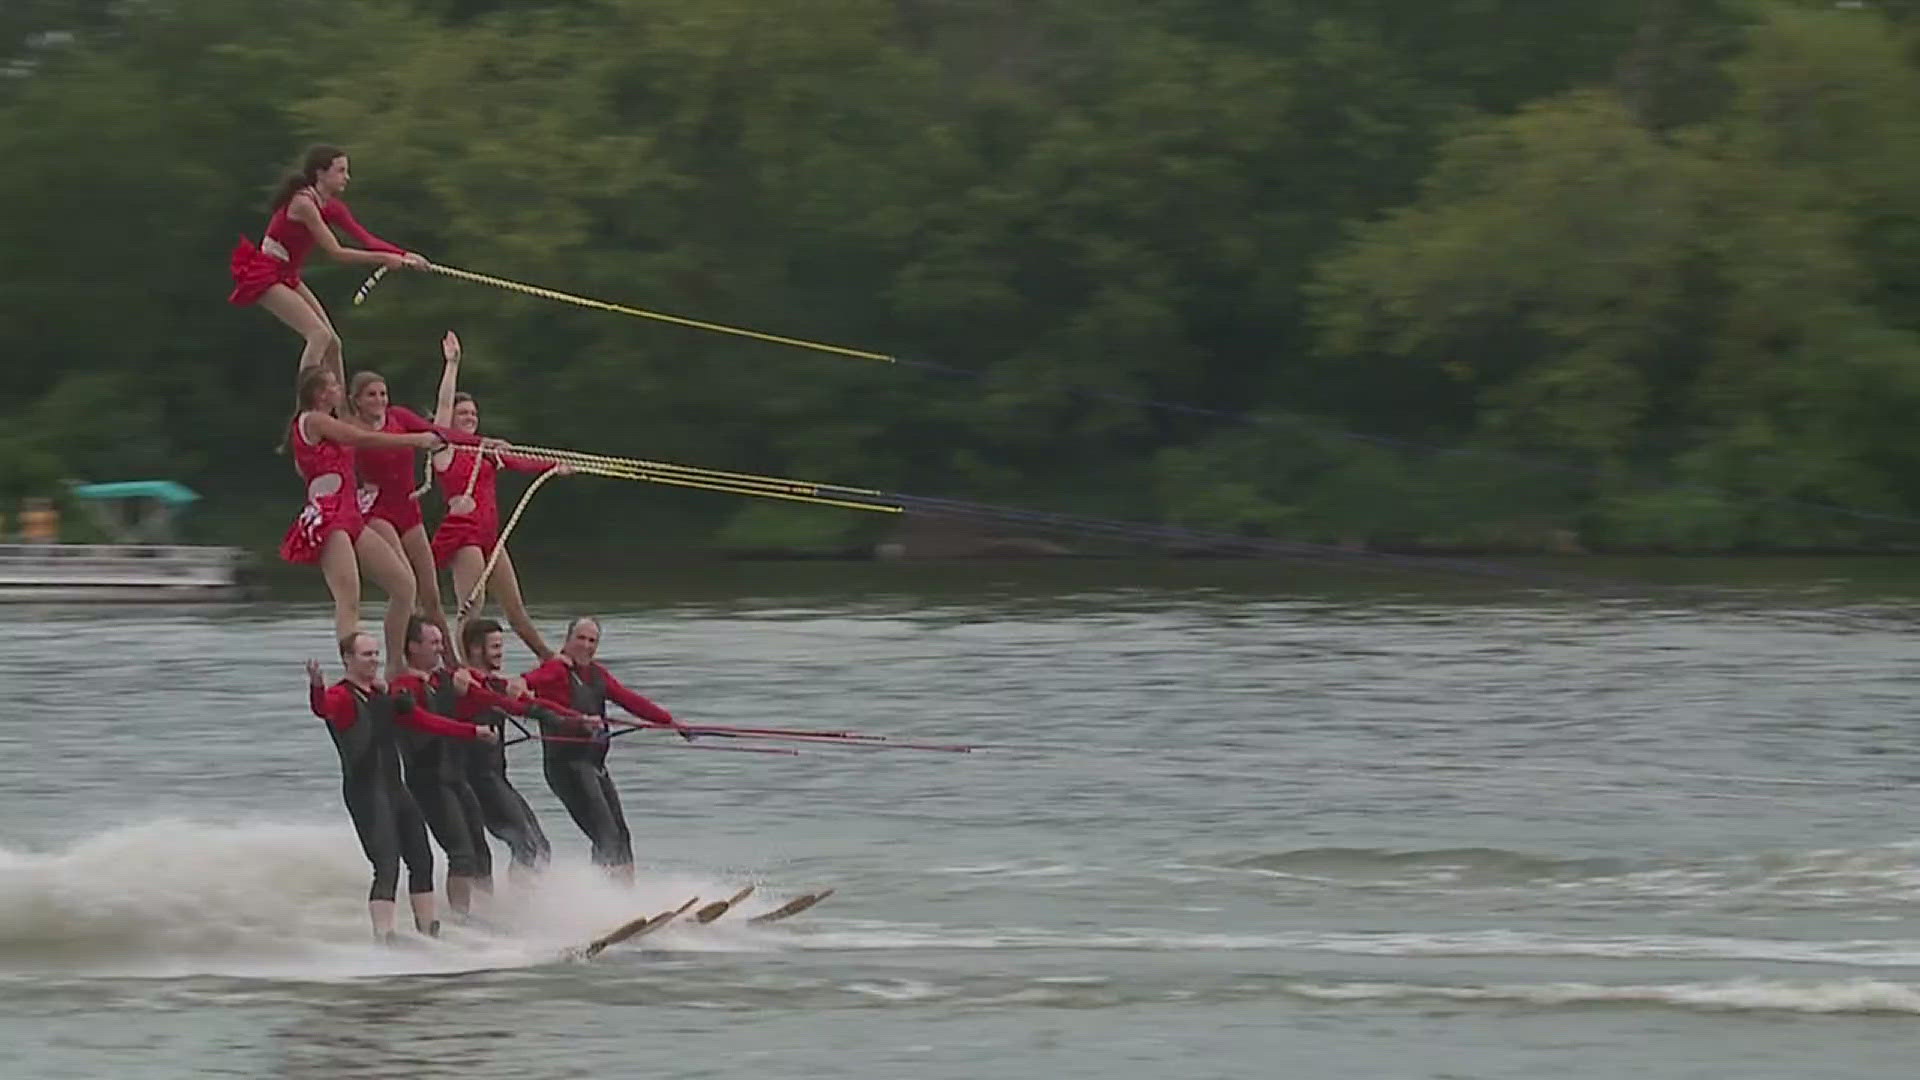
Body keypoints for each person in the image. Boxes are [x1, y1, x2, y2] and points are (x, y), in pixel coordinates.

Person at [282, 365, 480, 680]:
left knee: (404, 586)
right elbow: (364, 438)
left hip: (352, 517)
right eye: (333, 385)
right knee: (349, 598)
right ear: (321, 393)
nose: (337, 388)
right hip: (330, 521)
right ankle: (355, 674)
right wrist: (417, 441)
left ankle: (395, 666)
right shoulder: (314, 420)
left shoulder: (329, 422)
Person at [306, 630, 493, 943]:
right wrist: (316, 686)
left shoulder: (384, 698)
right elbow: (322, 708)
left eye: (376, 654)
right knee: (387, 864)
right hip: (366, 791)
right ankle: (385, 938)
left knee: (422, 859)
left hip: (395, 788)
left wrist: (473, 731)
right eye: (366, 655)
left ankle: (430, 932)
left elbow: (426, 721)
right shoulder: (341, 697)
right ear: (348, 659)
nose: (374, 660)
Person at [229, 144, 429, 385]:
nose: (347, 177)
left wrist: (406, 255)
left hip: (288, 275)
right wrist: (384, 259)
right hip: (266, 275)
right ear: (320, 173)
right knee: (318, 335)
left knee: (333, 344)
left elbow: (366, 239)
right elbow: (336, 252)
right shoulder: (304, 204)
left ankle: (342, 413)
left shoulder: (332, 206)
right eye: (341, 170)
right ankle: (307, 407)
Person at [430, 332, 569, 659]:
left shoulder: (487, 450)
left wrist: (554, 466)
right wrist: (452, 364)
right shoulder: (442, 449)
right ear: (450, 420)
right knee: (471, 608)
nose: (470, 418)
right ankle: (465, 667)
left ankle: (550, 659)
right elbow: (443, 405)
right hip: (465, 538)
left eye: (474, 414)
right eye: (463, 414)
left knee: (516, 609)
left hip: (491, 535)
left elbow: (521, 461)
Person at [523, 617, 691, 885]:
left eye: (592, 641)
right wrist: (522, 689)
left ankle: (626, 898)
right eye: (581, 638)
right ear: (567, 640)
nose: (586, 646)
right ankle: (600, 902)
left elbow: (629, 700)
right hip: (567, 768)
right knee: (605, 836)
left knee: (621, 835)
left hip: (594, 766)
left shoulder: (597, 674)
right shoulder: (556, 669)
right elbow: (525, 682)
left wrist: (670, 722)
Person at [344, 335, 469, 653]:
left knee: (432, 597)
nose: (379, 400)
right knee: (406, 589)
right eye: (371, 395)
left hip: (408, 511)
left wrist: (481, 441)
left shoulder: (399, 417)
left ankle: (453, 664)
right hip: (376, 513)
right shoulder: (349, 428)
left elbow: (440, 431)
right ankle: (402, 659)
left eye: (383, 393)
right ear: (356, 400)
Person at [388, 617, 494, 918]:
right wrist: (472, 731)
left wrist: (544, 712)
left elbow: (488, 698)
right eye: (434, 643)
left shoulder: (442, 681)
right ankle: (462, 921)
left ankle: (488, 915)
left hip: (456, 777)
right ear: (413, 647)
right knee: (461, 854)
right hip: (428, 781)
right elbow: (430, 723)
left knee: (480, 850)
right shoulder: (404, 688)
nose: (441, 648)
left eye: (441, 642)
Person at [455, 617, 553, 884]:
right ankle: (517, 910)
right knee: (525, 845)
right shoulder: (464, 684)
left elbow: (520, 700)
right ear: (476, 649)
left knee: (541, 846)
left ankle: (527, 902)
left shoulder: (495, 684)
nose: (501, 653)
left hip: (497, 778)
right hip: (477, 781)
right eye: (495, 647)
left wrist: (575, 719)